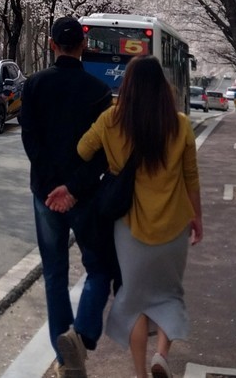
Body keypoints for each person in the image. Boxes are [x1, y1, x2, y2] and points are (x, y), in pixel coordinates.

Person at [54, 54, 203, 378]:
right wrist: (197, 217)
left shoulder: (112, 120)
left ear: (128, 86)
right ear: (163, 87)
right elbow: (191, 177)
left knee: (135, 301)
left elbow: (82, 149)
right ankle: (161, 355)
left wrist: (112, 161)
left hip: (130, 228)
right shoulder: (179, 124)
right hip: (174, 226)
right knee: (169, 294)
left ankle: (139, 373)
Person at [20, 16, 114, 378]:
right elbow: (102, 153)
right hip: (84, 195)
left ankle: (65, 360)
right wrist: (73, 188)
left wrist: (51, 187)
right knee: (99, 267)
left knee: (55, 273)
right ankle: (83, 334)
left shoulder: (35, 85)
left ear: (51, 44)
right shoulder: (99, 91)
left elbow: (31, 140)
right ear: (84, 45)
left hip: (44, 195)